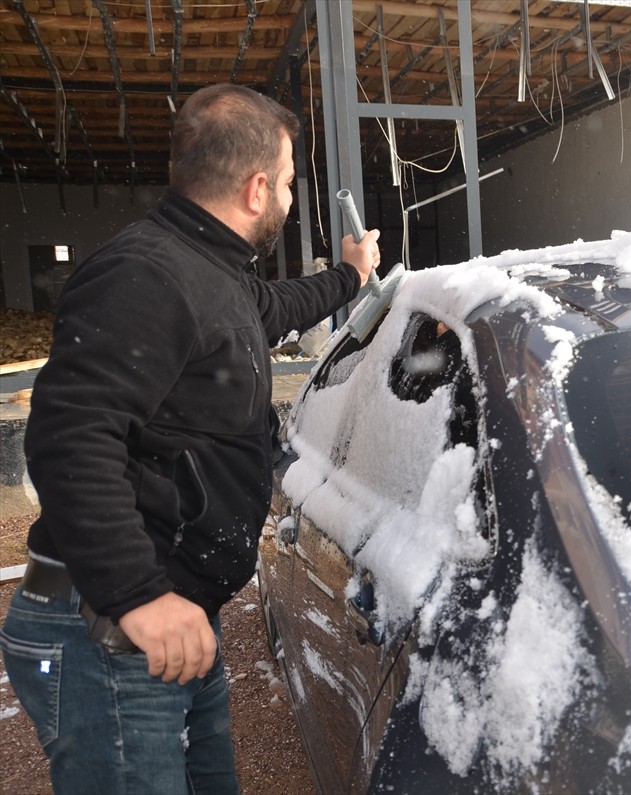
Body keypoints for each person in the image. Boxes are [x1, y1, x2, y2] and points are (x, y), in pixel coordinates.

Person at [0, 83, 381, 794]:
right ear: (257, 186)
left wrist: (350, 275)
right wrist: (141, 595)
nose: (292, 199)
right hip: (111, 634)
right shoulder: (143, 276)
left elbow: (274, 308)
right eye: (291, 184)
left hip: (165, 630)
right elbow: (68, 436)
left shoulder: (209, 272)